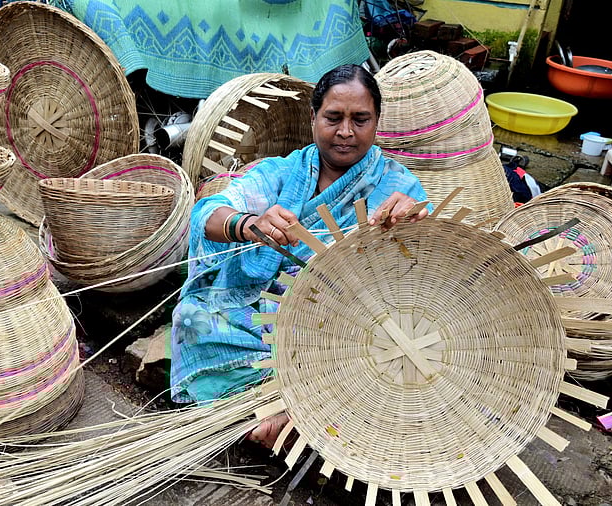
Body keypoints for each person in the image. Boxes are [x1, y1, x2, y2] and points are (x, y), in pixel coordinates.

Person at [170, 63, 430, 448]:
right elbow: (208, 213)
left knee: (380, 357)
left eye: (360, 119)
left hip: (340, 326)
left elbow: (421, 273)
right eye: (333, 118)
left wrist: (417, 226)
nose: (345, 132)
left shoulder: (398, 185)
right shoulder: (283, 171)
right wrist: (248, 224)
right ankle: (285, 405)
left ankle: (277, 408)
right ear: (313, 118)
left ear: (377, 122)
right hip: (263, 310)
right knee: (191, 318)